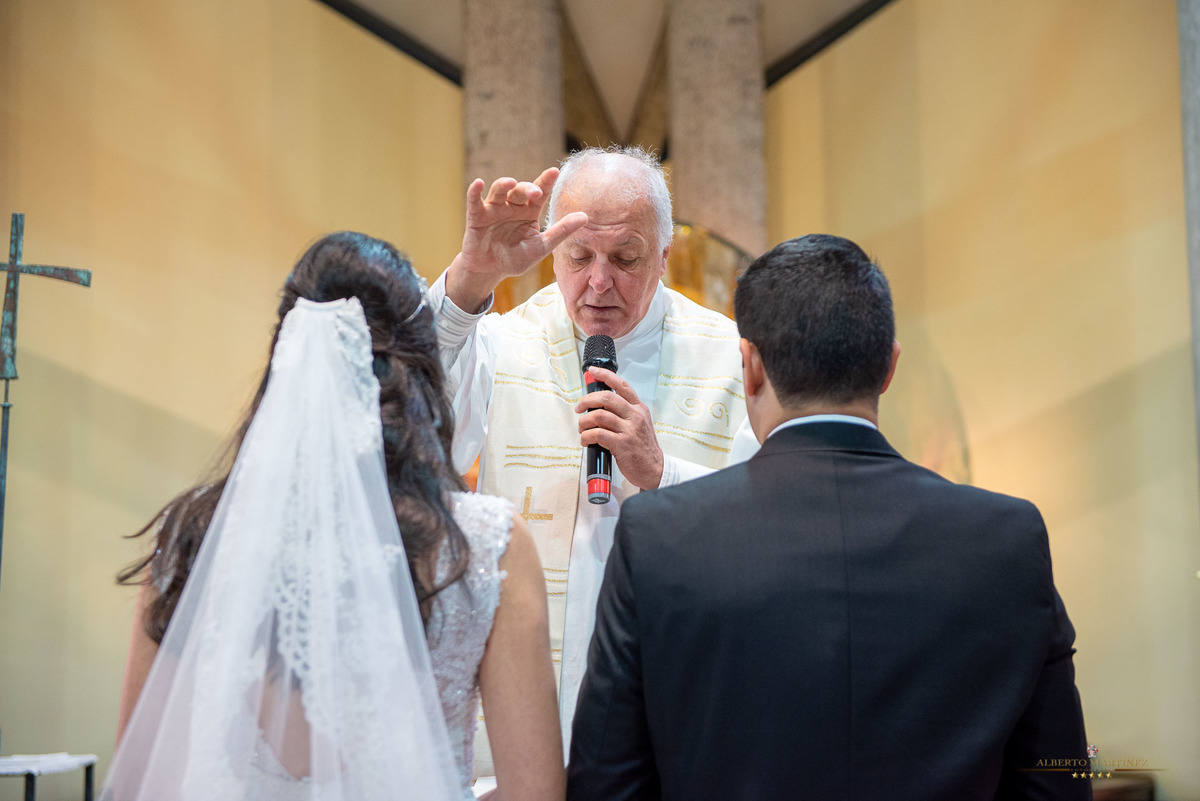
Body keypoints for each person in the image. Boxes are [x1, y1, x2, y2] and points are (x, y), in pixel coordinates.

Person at [567, 234, 1090, 801]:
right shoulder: (1007, 539)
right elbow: (1058, 781)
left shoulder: (657, 538)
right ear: (889, 366)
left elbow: (606, 783)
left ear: (751, 368)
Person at [107, 233, 563, 801]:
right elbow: (535, 794)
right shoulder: (483, 547)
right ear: (420, 373)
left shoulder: (192, 540)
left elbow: (140, 783)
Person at [430, 146, 758, 756]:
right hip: (528, 704)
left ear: (664, 256)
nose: (599, 282)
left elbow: (766, 529)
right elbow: (418, 422)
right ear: (553, 252)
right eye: (579, 257)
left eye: (626, 258)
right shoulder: (508, 341)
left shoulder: (730, 359)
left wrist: (663, 473)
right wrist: (471, 278)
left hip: (676, 703)